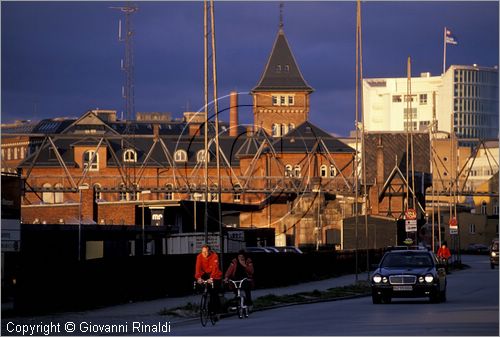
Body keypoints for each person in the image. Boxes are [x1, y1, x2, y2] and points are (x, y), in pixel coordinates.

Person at [194, 244, 222, 317]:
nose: (205, 254)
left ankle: (217, 311)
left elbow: (215, 268)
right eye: (203, 252)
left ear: (209, 251)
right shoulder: (199, 256)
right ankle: (206, 307)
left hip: (215, 275)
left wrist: (212, 278)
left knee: (214, 293)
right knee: (204, 289)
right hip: (205, 274)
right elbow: (197, 268)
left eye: (206, 252)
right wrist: (198, 277)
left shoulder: (214, 256)